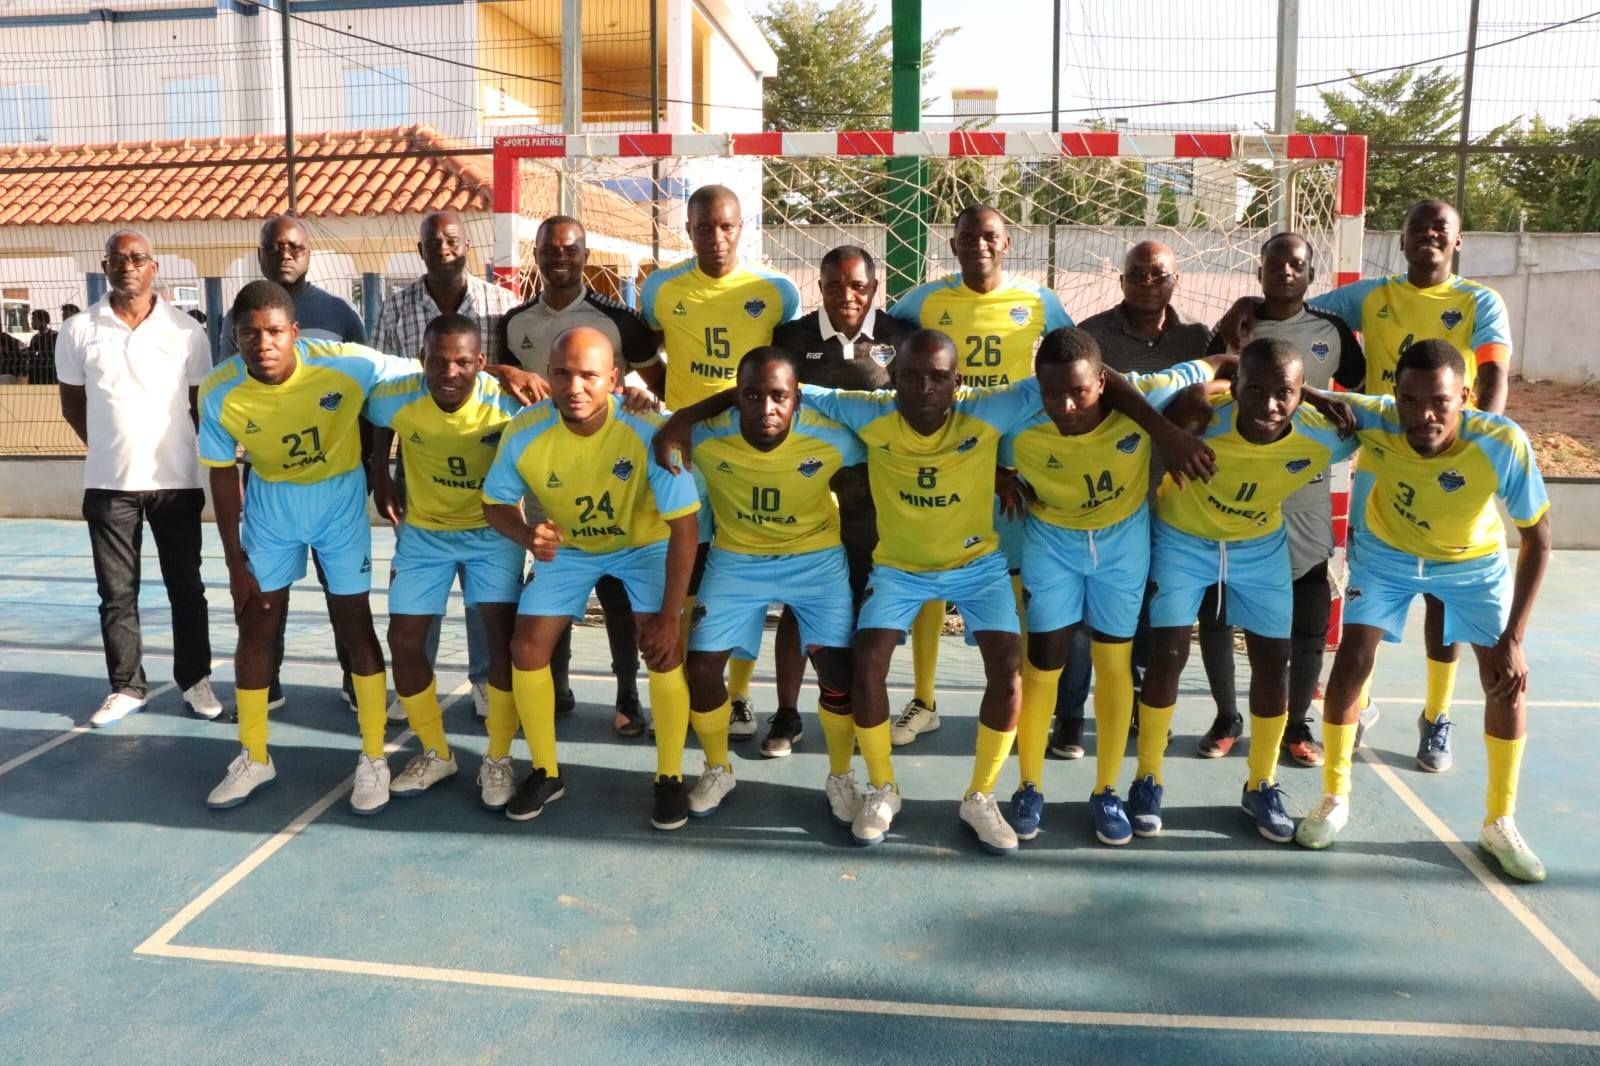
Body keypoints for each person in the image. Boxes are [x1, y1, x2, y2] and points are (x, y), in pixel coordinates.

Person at [657, 329, 1211, 854]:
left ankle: (981, 796)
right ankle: (881, 787)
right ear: (892, 376)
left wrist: (1164, 432)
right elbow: (768, 387)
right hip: (898, 567)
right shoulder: (864, 414)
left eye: (939, 378)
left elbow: (1097, 376)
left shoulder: (988, 408)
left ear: (958, 380)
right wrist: (682, 417)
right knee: (867, 660)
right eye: (912, 377)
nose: (925, 389)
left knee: (1008, 663)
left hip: (976, 565)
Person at [198, 280, 537, 813]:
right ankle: (254, 754)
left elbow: (442, 366)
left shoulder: (345, 363)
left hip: (340, 505)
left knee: (355, 624)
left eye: (273, 333)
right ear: (234, 338)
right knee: (256, 625)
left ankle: (376, 756)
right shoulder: (218, 390)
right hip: (272, 509)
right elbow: (221, 475)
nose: (262, 344)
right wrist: (233, 560)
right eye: (248, 334)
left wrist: (504, 371)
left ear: (294, 333)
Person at [1220, 199, 1514, 770]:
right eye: (1416, 228)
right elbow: (1292, 303)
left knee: (1441, 595)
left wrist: (1483, 434)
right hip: (1382, 455)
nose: (1428, 235)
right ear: (1400, 241)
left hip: (1447, 453)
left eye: (1440, 229)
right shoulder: (1371, 296)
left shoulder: (1479, 300)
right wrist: (1247, 303)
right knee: (1372, 589)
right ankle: (1358, 702)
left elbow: (1495, 371)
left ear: (1458, 242)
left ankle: (1437, 715)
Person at [1295, 341, 1551, 881]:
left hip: (1471, 562)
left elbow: (1538, 539)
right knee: (1352, 661)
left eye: (1439, 401)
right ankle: (1334, 797)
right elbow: (1291, 390)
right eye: (1409, 401)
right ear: (1395, 396)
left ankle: (1499, 821)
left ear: (1466, 396)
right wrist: (1318, 395)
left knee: (1504, 679)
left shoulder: (1502, 442)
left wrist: (1515, 637)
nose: (1423, 415)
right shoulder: (1379, 420)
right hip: (1387, 554)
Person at [1000, 329, 1226, 845]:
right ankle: (1029, 785)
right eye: (1052, 392)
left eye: (1078, 391)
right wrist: (994, 470)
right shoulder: (1017, 412)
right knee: (1044, 662)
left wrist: (1315, 393)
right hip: (1051, 545)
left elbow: (1214, 363)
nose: (1065, 405)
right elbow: (959, 427)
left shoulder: (1146, 395)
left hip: (1123, 549)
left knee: (1114, 662)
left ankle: (1106, 790)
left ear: (1103, 381)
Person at [1135, 338, 1358, 844]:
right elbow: (1156, 404)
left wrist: (1322, 398)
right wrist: (1204, 389)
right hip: (1182, 537)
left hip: (1259, 546)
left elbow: (1387, 424)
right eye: (1254, 390)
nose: (1269, 405)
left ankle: (1261, 782)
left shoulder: (1324, 435)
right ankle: (1148, 777)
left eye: (1285, 393)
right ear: (1234, 389)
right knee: (1167, 655)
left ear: (1303, 395)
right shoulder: (1198, 412)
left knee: (1272, 663)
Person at [481, 326, 701, 828]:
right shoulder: (525, 431)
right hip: (573, 548)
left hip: (643, 544)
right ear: (548, 376)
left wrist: (670, 617)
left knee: (665, 647)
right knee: (527, 648)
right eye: (562, 373)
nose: (574, 386)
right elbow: (494, 504)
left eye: (588, 375)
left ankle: (669, 776)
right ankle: (545, 771)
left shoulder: (649, 430)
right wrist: (527, 535)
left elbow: (684, 528)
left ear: (614, 380)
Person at [884, 204, 1072, 748]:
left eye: (991, 237)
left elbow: (1077, 356)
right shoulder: (925, 300)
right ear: (954, 244)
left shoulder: (1037, 301)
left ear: (1007, 243)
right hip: (950, 459)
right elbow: (884, 351)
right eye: (969, 237)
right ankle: (924, 699)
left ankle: (1020, 699)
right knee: (931, 572)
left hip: (1019, 465)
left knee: (1017, 580)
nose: (980, 245)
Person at [676, 347, 866, 820]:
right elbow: (652, 428)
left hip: (815, 561)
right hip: (738, 560)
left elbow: (896, 441)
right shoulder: (706, 435)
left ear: (797, 399)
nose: (766, 408)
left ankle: (841, 775)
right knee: (699, 670)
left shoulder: (832, 438)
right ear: (734, 397)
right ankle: (718, 767)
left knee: (839, 675)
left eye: (779, 396)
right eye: (752, 395)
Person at [639, 184, 800, 739]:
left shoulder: (775, 292)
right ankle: (685, 678)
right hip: (685, 448)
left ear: (742, 227)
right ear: (688, 229)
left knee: (743, 561)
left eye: (726, 226)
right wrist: (671, 409)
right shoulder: (659, 289)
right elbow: (650, 356)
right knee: (687, 564)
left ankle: (738, 694)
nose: (716, 236)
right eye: (703, 227)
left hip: (751, 449)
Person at [1202, 233, 1366, 767]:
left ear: (1310, 275)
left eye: (1296, 265)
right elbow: (1205, 387)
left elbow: (1361, 396)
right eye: (1275, 264)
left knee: (1307, 612)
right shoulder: (1236, 329)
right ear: (1260, 272)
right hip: (1238, 494)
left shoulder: (1331, 331)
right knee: (1221, 611)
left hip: (1307, 494)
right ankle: (1227, 716)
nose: (1285, 272)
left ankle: (1298, 725)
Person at [498, 215, 661, 734]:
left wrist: (646, 397)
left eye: (570, 250)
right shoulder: (517, 322)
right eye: (550, 249)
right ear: (538, 255)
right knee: (551, 580)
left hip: (610, 474)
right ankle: (557, 686)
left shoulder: (620, 320)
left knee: (617, 591)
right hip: (549, 472)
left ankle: (628, 696)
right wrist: (505, 371)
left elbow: (656, 380)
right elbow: (503, 381)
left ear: (585, 255)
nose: (560, 258)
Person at [1065, 239, 1226, 760]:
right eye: (1138, 274)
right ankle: (1070, 717)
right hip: (1112, 496)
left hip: (1178, 498)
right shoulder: (1093, 335)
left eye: (1159, 274)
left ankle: (1140, 704)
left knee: (1154, 615)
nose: (1148, 282)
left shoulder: (1197, 337)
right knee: (1094, 618)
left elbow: (1227, 380)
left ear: (1175, 281)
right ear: (1121, 279)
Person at [54, 230, 220, 726]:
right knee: (116, 593)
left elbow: (199, 406)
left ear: (154, 267)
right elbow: (73, 405)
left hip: (176, 483)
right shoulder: (79, 329)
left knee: (186, 588)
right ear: (105, 266)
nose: (128, 266)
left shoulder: (186, 331)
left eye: (138, 258)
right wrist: (110, 446)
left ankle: (195, 680)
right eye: (118, 259)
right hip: (108, 485)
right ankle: (127, 687)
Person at [364, 314, 526, 809]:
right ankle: (436, 751)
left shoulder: (508, 403)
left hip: (491, 532)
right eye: (438, 361)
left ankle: (498, 757)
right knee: (404, 639)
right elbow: (374, 421)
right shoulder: (398, 396)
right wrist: (382, 472)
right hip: (426, 534)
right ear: (422, 362)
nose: (449, 372)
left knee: (500, 641)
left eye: (462, 362)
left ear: (481, 363)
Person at [766, 245, 914, 756]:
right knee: (798, 605)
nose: (846, 296)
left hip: (875, 498)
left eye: (857, 286)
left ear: (874, 288)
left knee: (868, 609)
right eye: (834, 285)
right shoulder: (792, 338)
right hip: (806, 492)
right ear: (820, 285)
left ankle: (861, 707)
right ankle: (786, 714)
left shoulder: (900, 337)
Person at [375, 210, 522, 721]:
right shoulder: (394, 310)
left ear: (467, 247)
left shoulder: (501, 305)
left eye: (452, 239)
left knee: (489, 604)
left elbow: (507, 381)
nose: (442, 247)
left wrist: (498, 368)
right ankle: (421, 682)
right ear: (419, 250)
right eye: (432, 241)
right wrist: (380, 470)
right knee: (419, 591)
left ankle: (486, 680)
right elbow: (387, 393)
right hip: (421, 457)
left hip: (489, 463)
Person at [221, 215, 371, 715]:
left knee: (343, 593)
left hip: (334, 482)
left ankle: (355, 680)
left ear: (309, 253)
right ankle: (268, 683)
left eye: (294, 246)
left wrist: (372, 465)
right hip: (271, 476)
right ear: (260, 253)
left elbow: (365, 393)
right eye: (274, 246)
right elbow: (229, 387)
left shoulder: (339, 312)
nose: (284, 253)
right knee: (266, 596)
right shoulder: (238, 317)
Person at [25, 310, 57, 384]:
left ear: (43, 321)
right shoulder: (35, 338)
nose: (32, 323)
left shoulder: (55, 336)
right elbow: (32, 356)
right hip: (37, 375)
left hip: (52, 374)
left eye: (34, 320)